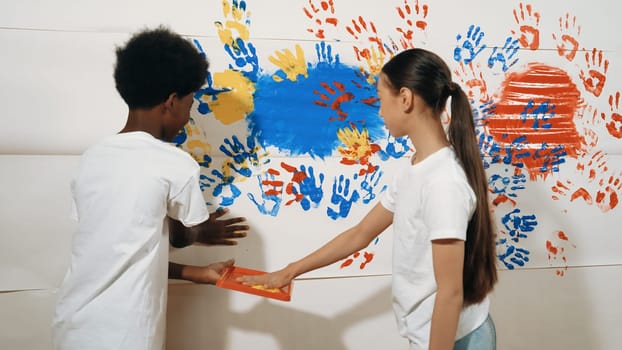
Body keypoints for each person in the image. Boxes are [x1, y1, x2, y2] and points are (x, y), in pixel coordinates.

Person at [241, 48, 498, 350]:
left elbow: (451, 293)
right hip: (434, 334)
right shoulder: (415, 169)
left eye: (381, 98)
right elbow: (360, 234)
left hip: (457, 338)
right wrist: (288, 271)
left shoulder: (443, 182)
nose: (379, 111)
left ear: (405, 99)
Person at [52, 26, 249, 350]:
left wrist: (196, 273)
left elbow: (117, 253)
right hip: (126, 334)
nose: (188, 117)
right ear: (171, 102)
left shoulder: (93, 158)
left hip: (72, 328)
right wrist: (201, 232)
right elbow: (187, 232)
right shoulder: (173, 162)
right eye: (189, 104)